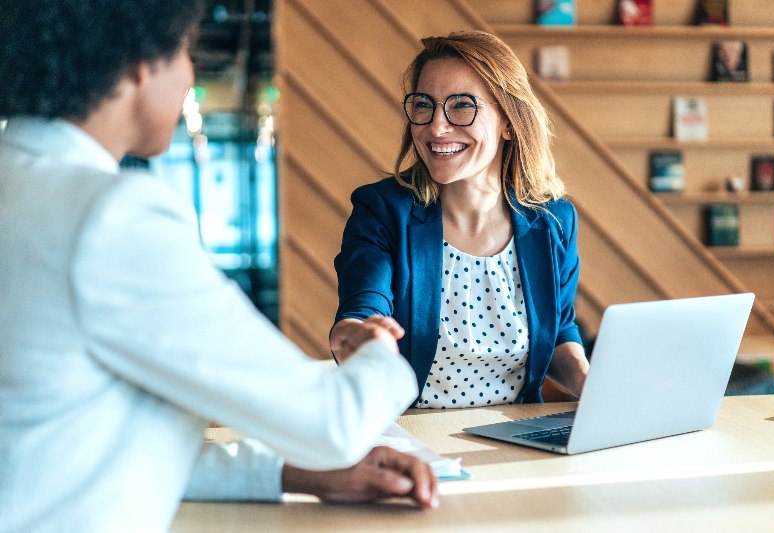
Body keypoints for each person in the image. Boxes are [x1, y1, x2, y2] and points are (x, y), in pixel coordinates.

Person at [0, 1, 437, 531]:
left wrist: (293, 474)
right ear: (140, 62)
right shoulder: (110, 216)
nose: (189, 76)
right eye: (186, 51)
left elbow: (59, 449)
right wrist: (381, 354)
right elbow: (333, 423)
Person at [330, 31, 590, 408]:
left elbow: (560, 328)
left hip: (516, 437)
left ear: (509, 122)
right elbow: (361, 309)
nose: (436, 127)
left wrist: (588, 381)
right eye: (424, 105)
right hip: (412, 439)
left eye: (462, 106)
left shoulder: (554, 221)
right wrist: (358, 336)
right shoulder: (382, 210)